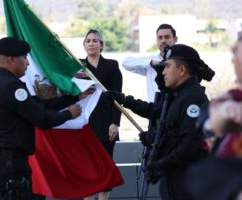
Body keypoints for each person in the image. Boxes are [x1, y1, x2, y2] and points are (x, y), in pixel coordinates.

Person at [0, 37, 91, 200]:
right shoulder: (10, 85)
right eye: (24, 57)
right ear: (11, 59)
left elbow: (35, 105)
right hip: (7, 165)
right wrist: (69, 114)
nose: (28, 63)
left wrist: (73, 98)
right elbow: (41, 118)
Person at [104, 44, 213, 200]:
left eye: (168, 66)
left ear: (182, 70)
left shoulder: (192, 99)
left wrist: (161, 164)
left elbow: (190, 144)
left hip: (186, 181)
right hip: (173, 180)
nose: (163, 72)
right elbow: (155, 112)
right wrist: (123, 100)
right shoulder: (176, 96)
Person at [185, 34, 242, 200]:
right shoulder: (231, 98)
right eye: (236, 57)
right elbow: (210, 122)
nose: (236, 63)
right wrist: (226, 111)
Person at [79, 29, 123, 200]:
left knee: (104, 167)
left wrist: (115, 123)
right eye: (88, 40)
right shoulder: (78, 66)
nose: (91, 43)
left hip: (106, 124)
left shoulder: (112, 65)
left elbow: (117, 97)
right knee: (87, 168)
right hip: (85, 123)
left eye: (95, 41)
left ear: (101, 45)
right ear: (84, 45)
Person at [122, 24, 178, 102]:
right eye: (160, 38)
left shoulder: (182, 61)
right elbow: (125, 63)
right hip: (154, 110)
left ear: (175, 39)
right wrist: (151, 63)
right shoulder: (150, 62)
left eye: (167, 37)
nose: (163, 40)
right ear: (156, 40)